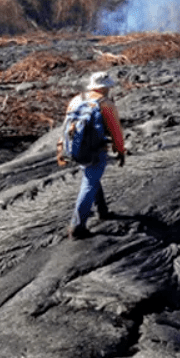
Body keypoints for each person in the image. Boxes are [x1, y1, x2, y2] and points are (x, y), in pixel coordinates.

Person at [56, 71, 126, 239]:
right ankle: (77, 226)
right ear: (104, 88)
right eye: (108, 87)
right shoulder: (105, 104)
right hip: (95, 150)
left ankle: (102, 210)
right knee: (89, 183)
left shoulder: (76, 99)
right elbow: (116, 130)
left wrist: (61, 149)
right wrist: (120, 150)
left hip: (76, 149)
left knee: (92, 178)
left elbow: (66, 125)